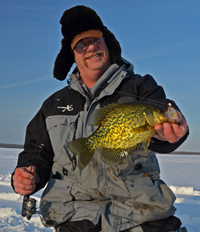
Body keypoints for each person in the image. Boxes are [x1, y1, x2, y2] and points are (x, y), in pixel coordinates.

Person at [11, 5, 189, 232]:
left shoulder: (141, 87)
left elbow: (163, 113)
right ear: (72, 55)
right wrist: (26, 175)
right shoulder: (53, 104)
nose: (92, 47)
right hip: (75, 213)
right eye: (81, 44)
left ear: (108, 43)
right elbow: (37, 151)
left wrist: (171, 134)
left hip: (141, 210)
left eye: (97, 39)